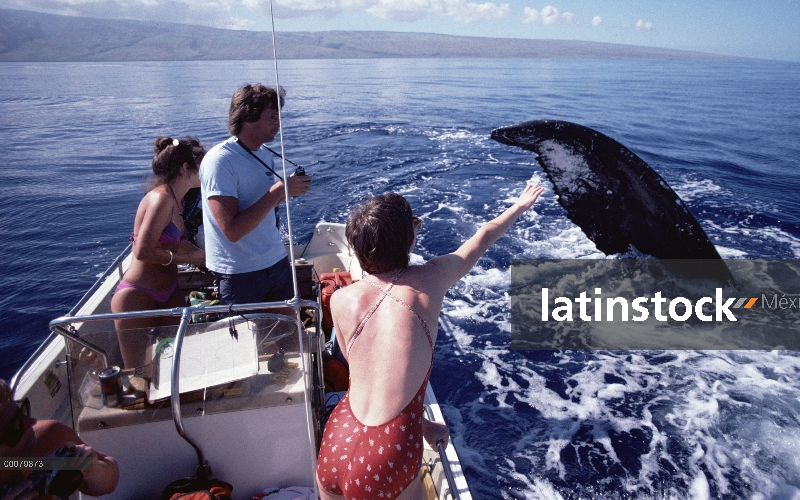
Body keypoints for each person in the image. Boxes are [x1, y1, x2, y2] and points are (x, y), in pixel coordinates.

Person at [316, 183, 544, 500]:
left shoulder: (340, 300)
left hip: (338, 435)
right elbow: (483, 237)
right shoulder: (430, 279)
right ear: (409, 239)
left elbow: (367, 379)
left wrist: (423, 424)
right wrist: (519, 206)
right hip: (388, 452)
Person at [200, 84, 312, 305]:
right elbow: (231, 231)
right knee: (248, 340)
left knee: (286, 334)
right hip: (240, 274)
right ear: (249, 118)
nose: (278, 124)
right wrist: (279, 191)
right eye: (272, 117)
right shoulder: (220, 161)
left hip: (276, 261)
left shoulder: (263, 154)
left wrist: (285, 192)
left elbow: (263, 206)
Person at [111, 137, 207, 369]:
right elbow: (142, 251)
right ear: (186, 168)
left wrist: (204, 256)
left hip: (169, 291)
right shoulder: (161, 199)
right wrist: (186, 258)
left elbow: (173, 244)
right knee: (138, 373)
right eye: (202, 165)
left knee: (175, 367)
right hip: (137, 295)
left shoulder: (178, 202)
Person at [0, 379, 119, 499]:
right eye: (16, 427)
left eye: (22, 413)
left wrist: (93, 469)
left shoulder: (45, 439)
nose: (32, 422)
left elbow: (110, 482)